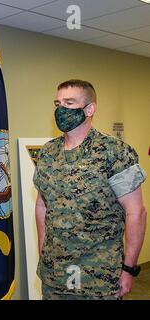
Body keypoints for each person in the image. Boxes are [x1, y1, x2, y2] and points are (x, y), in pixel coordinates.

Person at [33, 79, 147, 300]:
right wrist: (42, 253)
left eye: (69, 103)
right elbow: (42, 205)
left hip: (98, 276)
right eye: (58, 104)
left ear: (90, 109)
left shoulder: (115, 152)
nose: (61, 110)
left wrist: (129, 269)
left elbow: (136, 213)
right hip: (54, 274)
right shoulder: (47, 153)